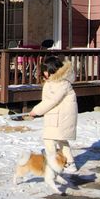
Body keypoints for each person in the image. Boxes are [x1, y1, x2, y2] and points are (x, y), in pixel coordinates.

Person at [26, 55, 78, 190]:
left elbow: (51, 101)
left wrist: (36, 111)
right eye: (43, 70)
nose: (44, 73)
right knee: (61, 140)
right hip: (58, 116)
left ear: (53, 70)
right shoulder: (56, 81)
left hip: (60, 117)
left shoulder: (60, 83)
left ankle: (52, 164)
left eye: (46, 70)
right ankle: (70, 163)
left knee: (49, 139)